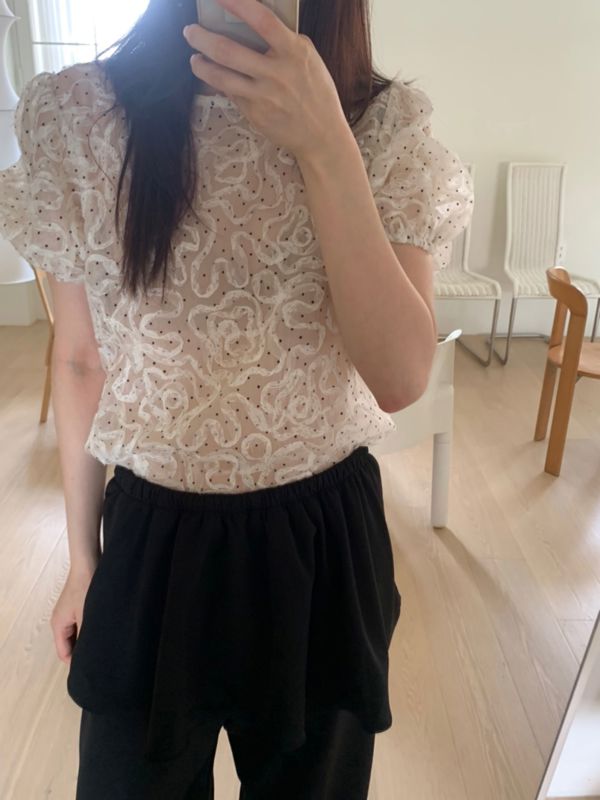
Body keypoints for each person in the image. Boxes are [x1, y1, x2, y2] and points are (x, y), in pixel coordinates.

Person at [0, 0, 474, 797]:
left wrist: (326, 146)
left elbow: (398, 377)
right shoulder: (80, 116)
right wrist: (82, 561)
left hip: (320, 545)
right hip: (149, 542)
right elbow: (81, 360)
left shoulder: (380, 125)